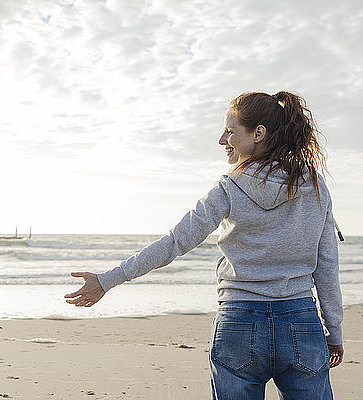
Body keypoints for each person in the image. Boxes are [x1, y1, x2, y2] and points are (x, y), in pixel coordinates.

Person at [64, 91, 344, 399]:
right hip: (301, 323)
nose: (222, 140)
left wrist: (107, 280)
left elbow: (174, 242)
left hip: (239, 322)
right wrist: (334, 331)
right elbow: (327, 266)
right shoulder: (314, 186)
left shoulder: (228, 188)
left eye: (230, 130)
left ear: (258, 133)